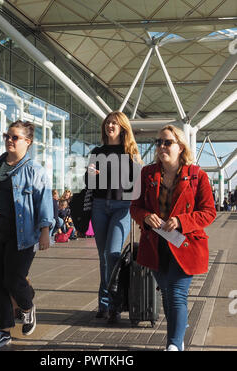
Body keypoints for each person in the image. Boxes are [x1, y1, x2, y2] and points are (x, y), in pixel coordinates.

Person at [0, 120, 54, 350]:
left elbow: (44, 202)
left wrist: (45, 231)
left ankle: (27, 307)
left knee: (13, 279)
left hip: (20, 235)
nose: (9, 140)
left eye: (15, 137)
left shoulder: (35, 170)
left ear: (28, 142)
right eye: (7, 135)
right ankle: (3, 331)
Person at [130, 124, 216, 351]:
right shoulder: (147, 174)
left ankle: (174, 345)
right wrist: (146, 217)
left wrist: (182, 221)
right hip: (156, 246)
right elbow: (135, 208)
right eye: (158, 143)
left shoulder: (198, 176)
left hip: (186, 245)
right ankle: (178, 334)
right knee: (168, 295)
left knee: (177, 294)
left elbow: (209, 212)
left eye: (167, 142)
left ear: (180, 147)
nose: (161, 147)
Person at [85, 111, 142, 324]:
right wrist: (92, 174)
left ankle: (115, 304)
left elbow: (136, 183)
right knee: (103, 256)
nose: (110, 125)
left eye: (114, 123)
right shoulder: (97, 151)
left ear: (122, 128)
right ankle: (105, 304)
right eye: (108, 122)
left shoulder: (131, 153)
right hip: (100, 205)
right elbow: (89, 181)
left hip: (123, 207)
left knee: (112, 253)